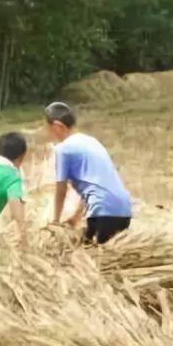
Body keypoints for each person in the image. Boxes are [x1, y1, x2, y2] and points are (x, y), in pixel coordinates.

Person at [44, 102, 133, 244]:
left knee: (91, 259)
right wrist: (76, 217)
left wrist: (55, 222)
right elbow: (93, 185)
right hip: (124, 210)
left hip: (103, 213)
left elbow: (61, 189)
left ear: (57, 126)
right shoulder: (91, 141)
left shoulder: (63, 149)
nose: (46, 132)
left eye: (47, 128)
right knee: (90, 249)